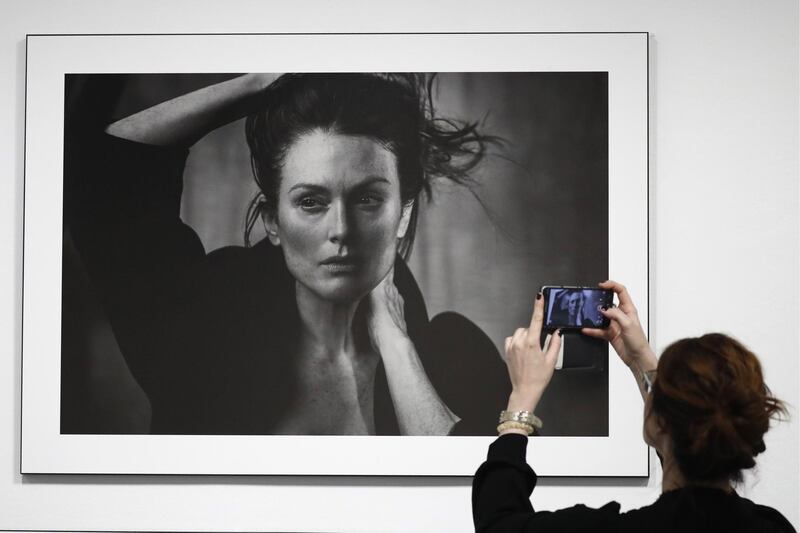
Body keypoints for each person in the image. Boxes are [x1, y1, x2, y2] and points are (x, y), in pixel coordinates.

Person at [64, 73, 510, 436]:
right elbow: (101, 174)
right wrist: (262, 83)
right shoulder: (205, 331)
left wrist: (397, 347)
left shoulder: (455, 358)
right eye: (311, 202)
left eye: (368, 200)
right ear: (273, 221)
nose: (341, 231)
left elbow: (487, 503)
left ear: (403, 215)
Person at [472, 280, 794, 532]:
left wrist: (521, 402)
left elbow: (499, 524)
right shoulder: (772, 527)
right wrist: (642, 362)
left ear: (657, 424)